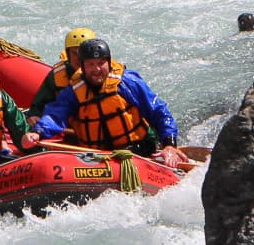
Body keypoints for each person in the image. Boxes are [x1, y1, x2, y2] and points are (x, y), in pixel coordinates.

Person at [29, 39, 186, 167]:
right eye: (90, 64)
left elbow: (158, 111)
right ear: (82, 67)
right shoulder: (74, 92)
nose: (97, 69)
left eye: (101, 63)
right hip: (96, 157)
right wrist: (38, 132)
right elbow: (56, 115)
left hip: (137, 151)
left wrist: (169, 144)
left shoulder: (127, 82)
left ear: (109, 63)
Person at [27, 27, 122, 120]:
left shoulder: (116, 75)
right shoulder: (57, 76)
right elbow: (39, 106)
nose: (79, 58)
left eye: (83, 53)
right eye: (75, 53)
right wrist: (34, 115)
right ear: (68, 54)